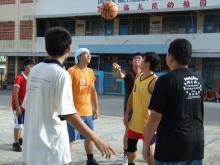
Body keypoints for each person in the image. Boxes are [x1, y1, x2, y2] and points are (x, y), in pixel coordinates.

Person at [22, 27, 115, 165]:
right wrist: (97, 139)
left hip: (31, 147)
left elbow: (27, 105)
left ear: (47, 47)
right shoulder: (62, 74)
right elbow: (69, 114)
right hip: (51, 149)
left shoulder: (34, 70)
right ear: (68, 49)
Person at [142, 39, 204, 165]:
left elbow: (155, 117)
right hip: (196, 144)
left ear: (170, 57)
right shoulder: (198, 79)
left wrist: (146, 142)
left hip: (171, 148)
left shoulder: (165, 81)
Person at [124, 52, 160, 165]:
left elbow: (159, 108)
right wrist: (127, 113)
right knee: (130, 150)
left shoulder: (154, 81)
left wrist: (154, 126)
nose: (140, 61)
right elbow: (132, 95)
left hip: (147, 126)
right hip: (134, 123)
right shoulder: (139, 76)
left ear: (147, 63)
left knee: (149, 156)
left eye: (142, 59)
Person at [67, 48, 100, 165]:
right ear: (79, 57)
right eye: (87, 54)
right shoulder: (71, 71)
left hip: (87, 111)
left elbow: (93, 91)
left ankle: (90, 159)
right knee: (70, 139)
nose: (89, 56)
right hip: (73, 113)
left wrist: (96, 107)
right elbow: (65, 91)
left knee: (89, 137)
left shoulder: (90, 72)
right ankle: (65, 161)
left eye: (90, 54)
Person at [112, 53, 142, 165]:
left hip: (143, 108)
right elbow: (121, 75)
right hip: (129, 107)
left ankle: (147, 152)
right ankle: (126, 154)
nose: (137, 60)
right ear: (133, 61)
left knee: (146, 131)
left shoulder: (145, 74)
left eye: (139, 58)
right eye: (135, 58)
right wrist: (118, 70)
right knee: (128, 131)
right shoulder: (128, 73)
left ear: (143, 62)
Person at [11, 59, 34, 152]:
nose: (32, 68)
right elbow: (15, 93)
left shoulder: (29, 78)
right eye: (30, 66)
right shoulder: (19, 77)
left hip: (25, 106)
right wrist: (17, 107)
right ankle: (15, 143)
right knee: (18, 125)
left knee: (22, 124)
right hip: (18, 106)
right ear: (25, 67)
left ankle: (19, 139)